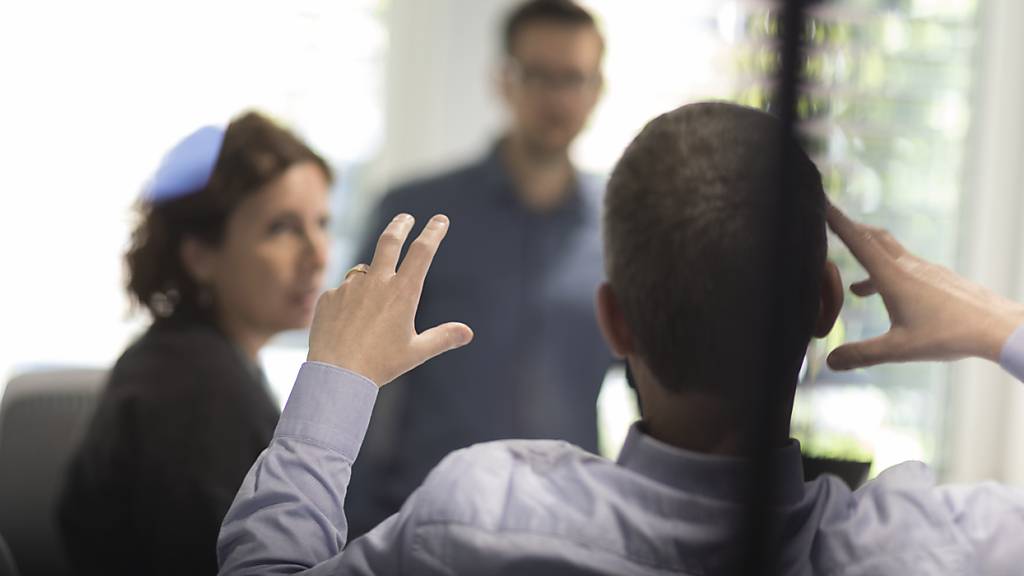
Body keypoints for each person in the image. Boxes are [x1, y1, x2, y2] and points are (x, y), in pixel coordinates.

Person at [218, 103, 1024, 575]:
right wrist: (1000, 326)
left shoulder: (478, 520)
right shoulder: (934, 550)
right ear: (824, 304)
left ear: (612, 320)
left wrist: (336, 377)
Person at [345, 0, 612, 536]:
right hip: (421, 526)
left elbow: (657, 381)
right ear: (503, 81)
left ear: (597, 89)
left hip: (568, 532)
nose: (557, 99)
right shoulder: (419, 215)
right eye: (538, 75)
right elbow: (357, 374)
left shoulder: (621, 227)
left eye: (574, 79)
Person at [59, 111, 333, 576]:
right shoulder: (197, 391)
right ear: (201, 256)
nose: (318, 255)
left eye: (322, 223)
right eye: (283, 228)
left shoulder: (189, 357)